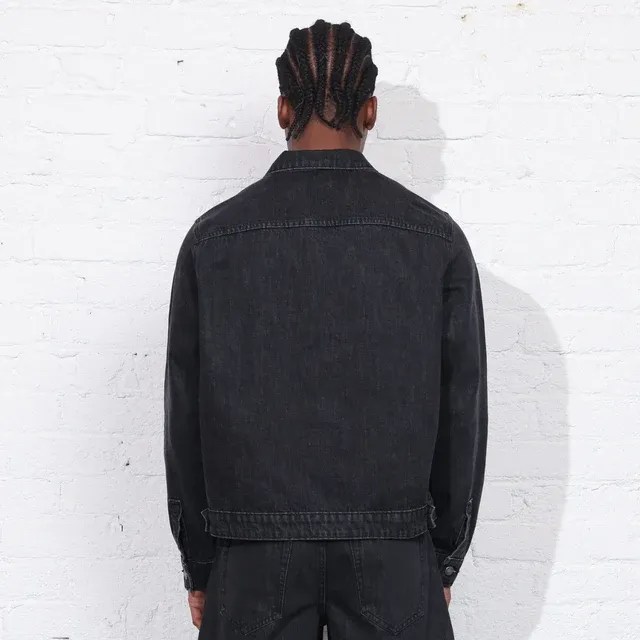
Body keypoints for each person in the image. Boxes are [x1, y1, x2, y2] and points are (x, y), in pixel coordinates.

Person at [164, 18, 488, 640]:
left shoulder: (212, 241)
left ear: (283, 109)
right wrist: (438, 557)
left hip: (250, 556)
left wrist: (201, 564)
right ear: (371, 112)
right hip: (394, 553)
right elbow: (462, 417)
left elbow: (185, 421)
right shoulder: (435, 240)